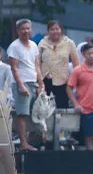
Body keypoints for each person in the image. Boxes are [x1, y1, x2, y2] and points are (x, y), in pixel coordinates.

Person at [6, 19, 42, 151]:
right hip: (22, 82)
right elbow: (14, 68)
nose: (26, 31)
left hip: (33, 81)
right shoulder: (14, 47)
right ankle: (23, 142)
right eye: (23, 29)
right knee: (22, 113)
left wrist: (41, 83)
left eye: (28, 28)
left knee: (36, 112)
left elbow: (37, 65)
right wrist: (21, 86)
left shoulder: (33, 45)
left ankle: (34, 140)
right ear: (18, 31)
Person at [37, 20, 80, 109]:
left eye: (57, 29)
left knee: (62, 106)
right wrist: (39, 79)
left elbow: (76, 64)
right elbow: (37, 62)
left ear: (61, 30)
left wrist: (74, 80)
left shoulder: (69, 43)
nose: (55, 31)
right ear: (48, 31)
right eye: (52, 29)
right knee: (43, 107)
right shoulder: (42, 43)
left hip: (62, 80)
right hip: (45, 79)